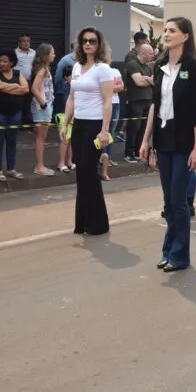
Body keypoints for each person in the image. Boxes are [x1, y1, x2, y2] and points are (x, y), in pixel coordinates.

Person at [139, 17, 196, 272]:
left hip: (184, 140)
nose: (166, 34)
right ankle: (169, 251)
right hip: (163, 138)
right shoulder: (160, 66)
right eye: (165, 30)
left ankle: (180, 255)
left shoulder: (195, 67)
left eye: (172, 30)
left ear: (185, 36)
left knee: (178, 201)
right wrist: (146, 140)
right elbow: (154, 105)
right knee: (168, 201)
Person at [59, 28, 114, 236]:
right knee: (81, 173)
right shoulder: (76, 67)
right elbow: (72, 98)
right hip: (80, 125)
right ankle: (82, 222)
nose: (88, 44)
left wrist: (104, 131)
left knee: (89, 172)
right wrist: (65, 124)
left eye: (92, 40)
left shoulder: (103, 69)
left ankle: (98, 224)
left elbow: (108, 100)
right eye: (84, 41)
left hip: (95, 124)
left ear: (99, 44)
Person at [0, 49, 29, 182]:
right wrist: (15, 86)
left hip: (15, 112)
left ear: (11, 62)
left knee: (12, 140)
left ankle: (11, 169)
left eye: (5, 61)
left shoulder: (18, 73)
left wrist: (7, 88)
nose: (2, 63)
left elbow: (26, 89)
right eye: (0, 61)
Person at [30, 43, 56, 177]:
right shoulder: (43, 70)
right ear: (46, 55)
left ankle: (40, 165)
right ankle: (39, 166)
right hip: (42, 107)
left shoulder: (45, 68)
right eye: (52, 53)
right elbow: (34, 88)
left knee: (42, 137)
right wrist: (44, 104)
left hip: (44, 106)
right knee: (41, 138)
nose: (54, 55)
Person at [101, 65, 124, 181]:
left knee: (111, 131)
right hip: (103, 103)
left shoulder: (115, 70)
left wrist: (110, 88)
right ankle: (102, 157)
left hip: (115, 103)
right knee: (104, 130)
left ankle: (108, 157)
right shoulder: (99, 71)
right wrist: (113, 87)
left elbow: (121, 86)